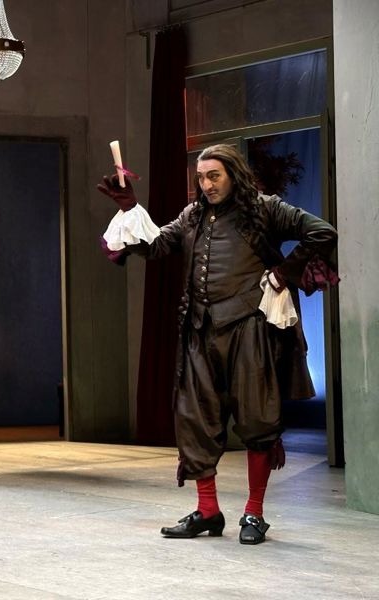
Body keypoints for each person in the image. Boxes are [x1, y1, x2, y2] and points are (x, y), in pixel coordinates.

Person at [97, 143, 338, 545]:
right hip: (199, 331)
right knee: (195, 421)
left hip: (249, 330)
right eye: (201, 177)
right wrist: (130, 208)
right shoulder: (191, 216)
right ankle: (208, 512)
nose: (206, 184)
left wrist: (284, 273)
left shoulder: (264, 209)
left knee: (258, 420)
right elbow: (157, 246)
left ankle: (254, 513)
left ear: (233, 174)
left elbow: (322, 232)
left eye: (214, 176)